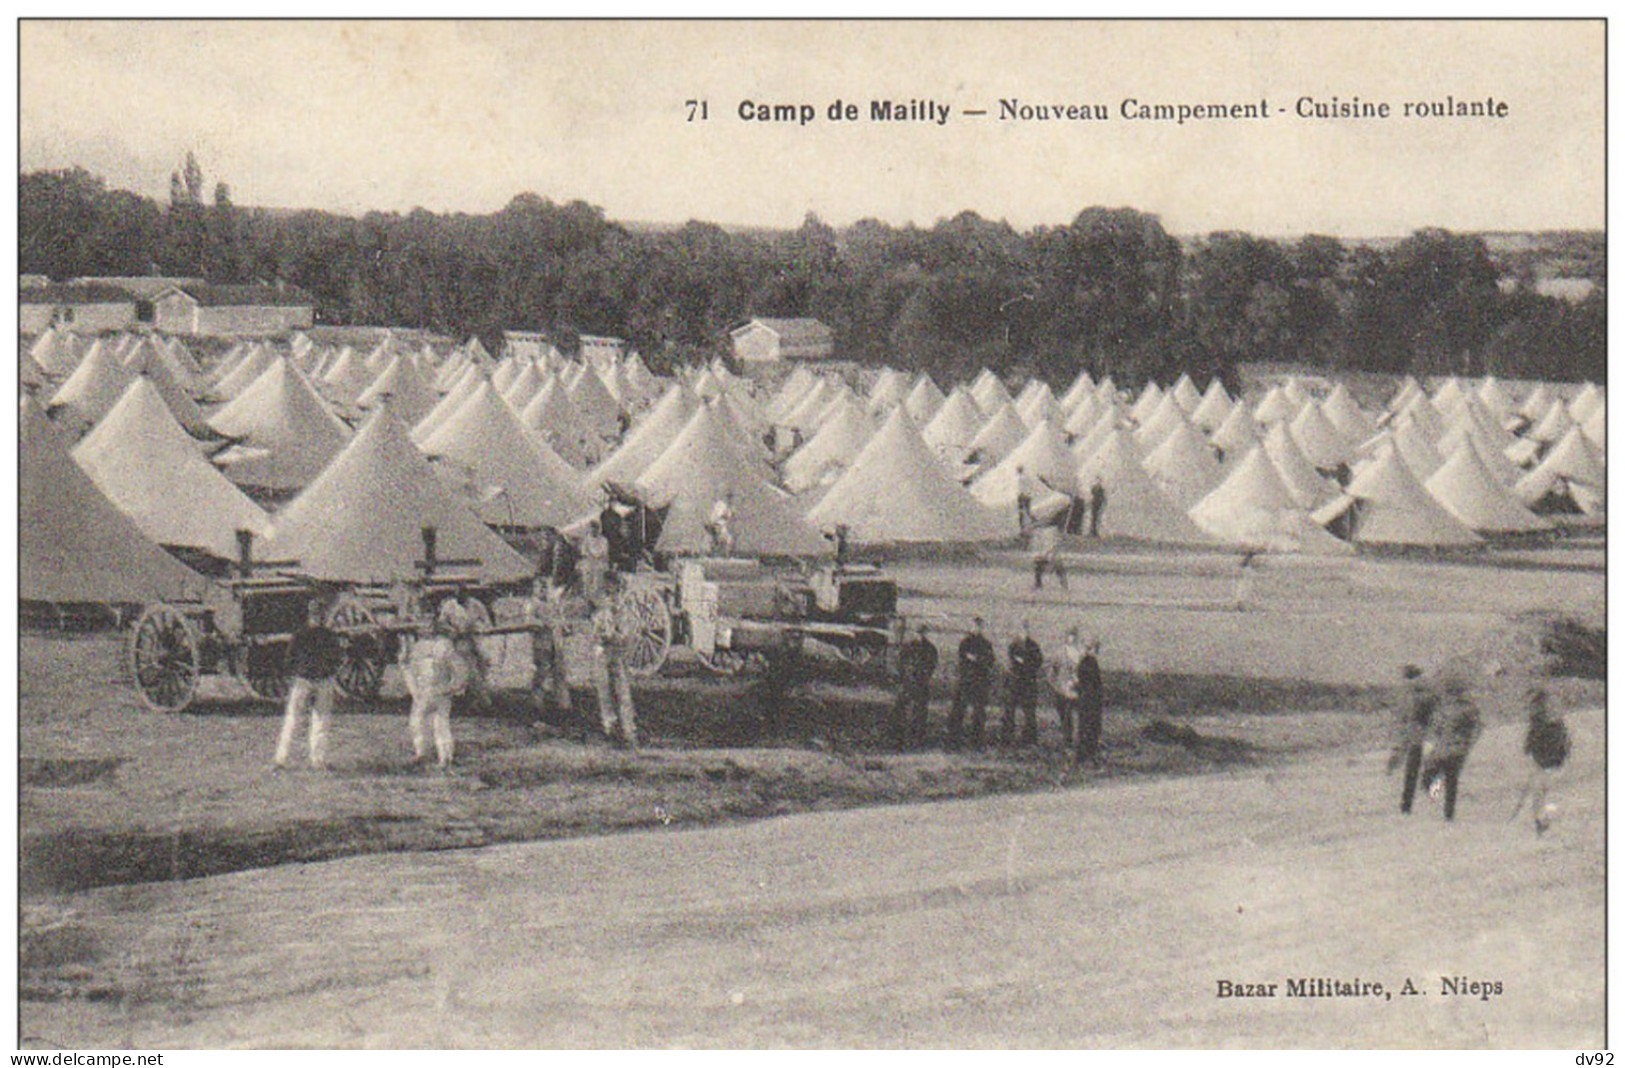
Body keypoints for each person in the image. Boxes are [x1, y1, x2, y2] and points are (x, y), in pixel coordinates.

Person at [275, 596, 342, 769]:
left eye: (318, 614)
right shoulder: (327, 636)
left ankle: (286, 759)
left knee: (299, 721)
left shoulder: (301, 634)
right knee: (314, 722)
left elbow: (289, 658)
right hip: (315, 680)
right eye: (318, 614)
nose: (319, 617)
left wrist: (296, 673)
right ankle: (311, 760)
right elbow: (338, 658)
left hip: (309, 680)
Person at [404, 600, 471, 768]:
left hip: (440, 690)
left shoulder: (444, 646)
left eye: (428, 623)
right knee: (416, 722)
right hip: (424, 691)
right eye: (422, 623)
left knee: (440, 724)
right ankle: (421, 753)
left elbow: (460, 669)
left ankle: (445, 757)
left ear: (434, 625)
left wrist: (453, 687)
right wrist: (414, 691)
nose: (425, 627)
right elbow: (411, 670)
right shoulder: (417, 647)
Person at [1420, 674, 1482, 822]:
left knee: (1435, 777)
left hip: (1444, 749)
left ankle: (1439, 801)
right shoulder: (1469, 708)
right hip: (1457, 750)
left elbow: (1434, 729)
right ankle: (1448, 813)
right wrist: (1468, 744)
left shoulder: (1447, 709)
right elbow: (1477, 728)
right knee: (1451, 780)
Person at [1511, 687, 1570, 836]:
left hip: (1543, 759)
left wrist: (1528, 747)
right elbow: (1564, 738)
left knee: (1539, 791)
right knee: (1542, 790)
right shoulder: (1555, 718)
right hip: (1553, 758)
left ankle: (1541, 820)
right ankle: (1541, 820)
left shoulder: (1538, 718)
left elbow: (1533, 736)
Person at [589, 585, 637, 748]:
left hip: (618, 655)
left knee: (623, 691)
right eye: (609, 596)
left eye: (615, 595)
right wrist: (603, 638)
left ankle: (628, 727)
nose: (612, 600)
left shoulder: (624, 615)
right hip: (603, 655)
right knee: (604, 691)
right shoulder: (599, 615)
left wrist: (612, 636)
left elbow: (625, 637)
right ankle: (609, 725)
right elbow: (595, 636)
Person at [1386, 664, 1438, 814]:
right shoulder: (1427, 691)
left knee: (1411, 769)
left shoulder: (1406, 693)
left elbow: (1400, 715)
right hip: (1424, 735)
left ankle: (1406, 804)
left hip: (1409, 734)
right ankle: (1430, 792)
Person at [947, 617, 996, 750]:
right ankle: (954, 738)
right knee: (958, 709)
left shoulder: (986, 644)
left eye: (980, 626)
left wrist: (977, 659)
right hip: (966, 680)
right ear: (971, 627)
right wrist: (976, 660)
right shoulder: (965, 642)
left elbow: (990, 660)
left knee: (979, 711)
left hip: (980, 681)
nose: (977, 629)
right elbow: (962, 659)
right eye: (975, 626)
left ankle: (977, 739)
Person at [526, 576, 571, 722]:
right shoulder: (532, 605)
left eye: (545, 588)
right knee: (541, 674)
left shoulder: (554, 604)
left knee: (560, 673)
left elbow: (561, 620)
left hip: (556, 644)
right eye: (539, 588)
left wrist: (565, 627)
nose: (543, 591)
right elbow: (529, 622)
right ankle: (537, 707)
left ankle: (563, 706)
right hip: (542, 644)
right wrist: (542, 623)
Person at [891, 622, 938, 750]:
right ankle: (897, 738)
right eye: (918, 632)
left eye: (922, 633)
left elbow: (932, 664)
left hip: (921, 683)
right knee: (900, 709)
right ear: (914, 633)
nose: (920, 635)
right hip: (908, 682)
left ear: (925, 633)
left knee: (920, 712)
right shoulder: (908, 647)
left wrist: (925, 676)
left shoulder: (930, 648)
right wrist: (904, 677)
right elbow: (900, 663)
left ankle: (917, 740)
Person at [1004, 620, 1044, 747]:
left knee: (1029, 711)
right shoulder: (1013, 645)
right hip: (1015, 682)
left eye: (1026, 629)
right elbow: (1012, 662)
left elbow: (1038, 661)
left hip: (1028, 682)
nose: (1024, 632)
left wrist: (1024, 662)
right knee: (1009, 710)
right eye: (1022, 630)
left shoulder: (1033, 645)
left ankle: (1029, 738)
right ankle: (1007, 737)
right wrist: (1025, 662)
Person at [1049, 626, 1086, 752]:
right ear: (1066, 636)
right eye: (1070, 635)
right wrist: (1057, 687)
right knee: (1065, 717)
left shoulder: (1080, 654)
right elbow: (1051, 673)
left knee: (1080, 716)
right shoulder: (1059, 653)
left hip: (1077, 689)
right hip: (1063, 690)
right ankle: (1067, 743)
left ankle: (1081, 742)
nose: (1072, 638)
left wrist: (1079, 683)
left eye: (1074, 635)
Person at [1074, 636, 1104, 767]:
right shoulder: (1087, 662)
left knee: (1090, 727)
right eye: (1092, 648)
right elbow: (1089, 681)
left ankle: (1087, 754)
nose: (1093, 651)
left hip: (1091, 699)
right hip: (1088, 699)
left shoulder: (1089, 662)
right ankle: (1085, 755)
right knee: (1088, 727)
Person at [1031, 522, 1067, 591]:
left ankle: (1064, 584)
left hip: (1050, 530)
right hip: (1040, 531)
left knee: (1055, 560)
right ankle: (1038, 583)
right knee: (1040, 559)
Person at [578, 519, 610, 596]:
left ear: (598, 529)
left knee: (598, 579)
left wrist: (598, 556)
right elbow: (584, 551)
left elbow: (604, 551)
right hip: (589, 562)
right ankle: (587, 596)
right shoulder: (586, 540)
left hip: (599, 562)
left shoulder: (603, 540)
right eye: (591, 528)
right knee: (587, 578)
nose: (593, 531)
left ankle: (597, 596)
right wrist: (590, 556)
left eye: (595, 529)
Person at [1015, 465, 1036, 534]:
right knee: (1027, 509)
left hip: (1022, 495)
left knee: (1021, 510)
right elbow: (1031, 485)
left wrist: (1020, 494)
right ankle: (1033, 520)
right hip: (1028, 495)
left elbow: (1020, 488)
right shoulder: (1027, 477)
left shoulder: (1020, 478)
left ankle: (1022, 526)